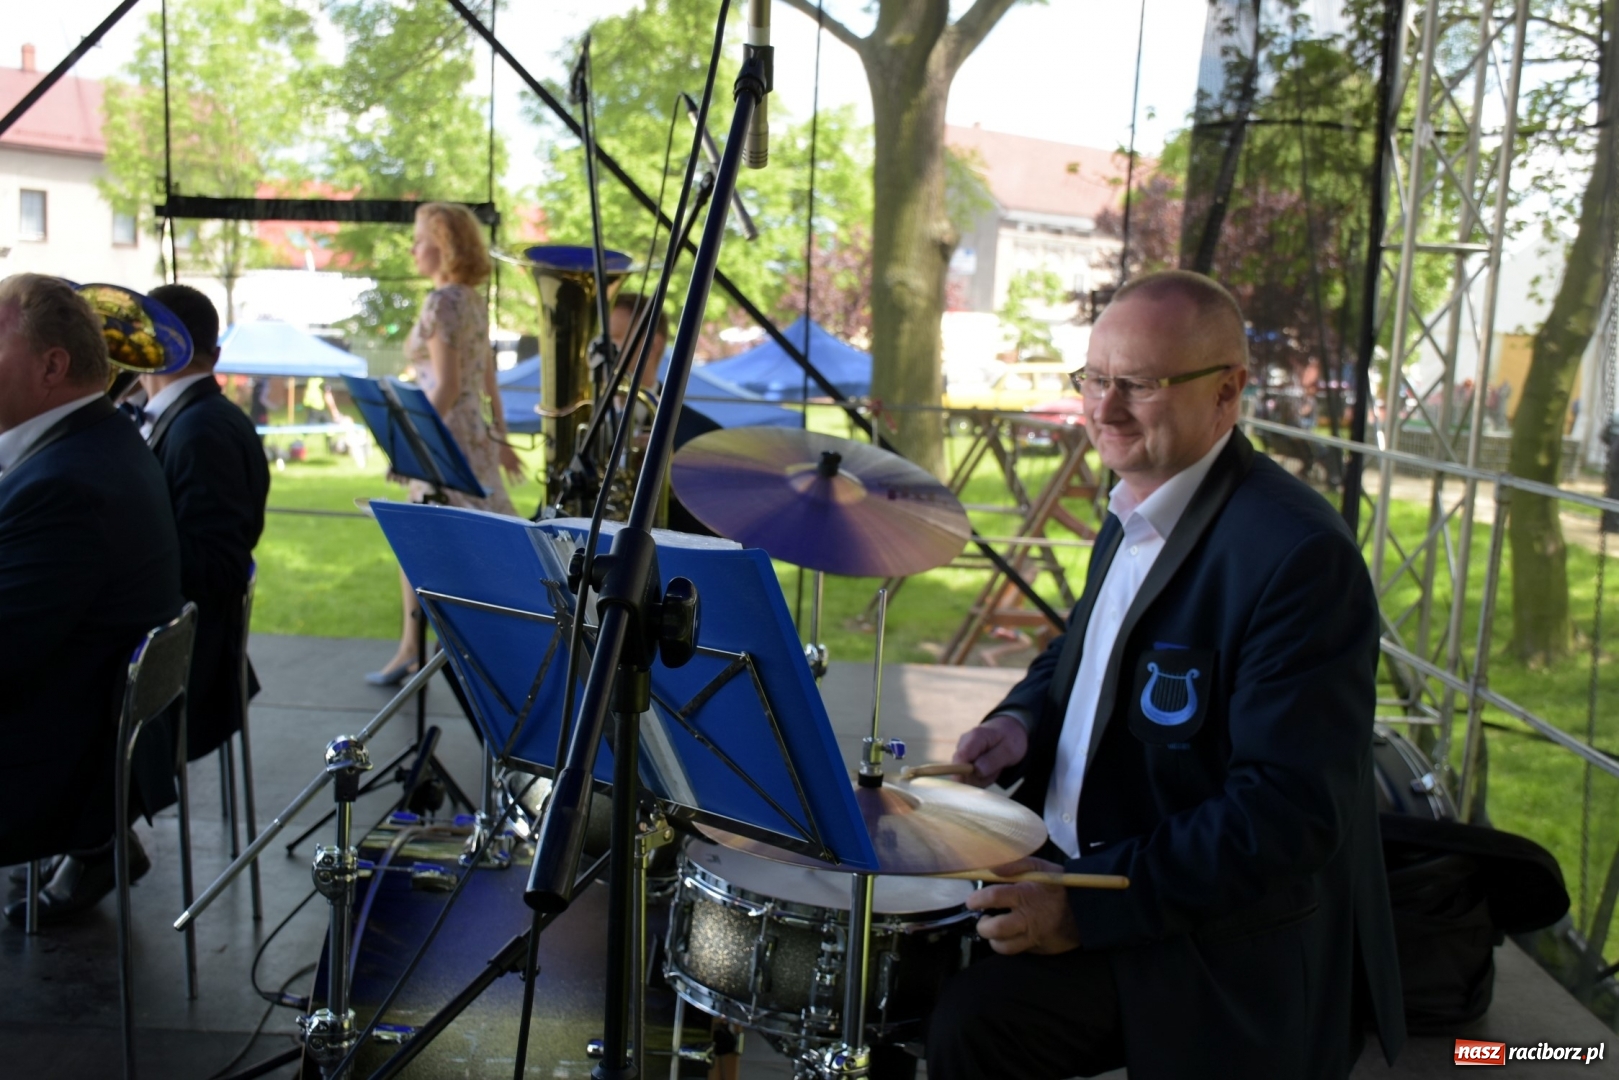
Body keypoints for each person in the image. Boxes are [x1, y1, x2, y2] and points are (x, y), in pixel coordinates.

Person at [930, 270, 1406, 1079]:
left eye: (1140, 386)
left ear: (1227, 392)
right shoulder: (1137, 501)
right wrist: (1020, 723)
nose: (1105, 409)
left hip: (1206, 937)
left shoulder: (1295, 556)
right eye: (1095, 380)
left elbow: (1286, 815)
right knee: (900, 950)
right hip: (1086, 860)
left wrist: (1081, 904)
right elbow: (1080, 655)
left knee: (977, 1024)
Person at [0, 273, 182, 923]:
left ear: (51, 365)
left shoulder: (67, 482)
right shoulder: (92, 444)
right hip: (79, 733)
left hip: (49, 766)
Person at [367, 202, 523, 686]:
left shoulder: (444, 303)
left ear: (443, 244)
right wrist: (499, 436)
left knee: (424, 542)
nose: (413, 248)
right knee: (475, 538)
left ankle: (421, 651)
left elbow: (448, 386)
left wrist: (408, 443)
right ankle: (423, 649)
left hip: (443, 438)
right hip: (469, 435)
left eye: (419, 238)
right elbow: (487, 380)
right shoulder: (473, 299)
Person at [141, 283, 271, 761]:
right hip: (195, 660)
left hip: (187, 676)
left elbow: (216, 568)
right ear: (214, 354)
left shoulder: (201, 431)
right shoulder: (200, 418)